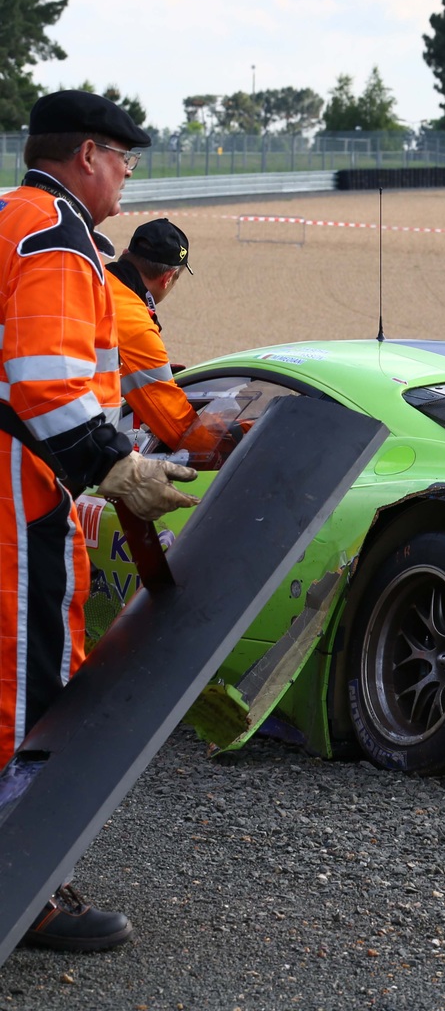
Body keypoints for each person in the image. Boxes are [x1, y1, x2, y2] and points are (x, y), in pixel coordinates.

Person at [0, 90, 200, 952]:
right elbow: (44, 379)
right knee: (25, 688)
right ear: (88, 155)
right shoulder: (57, 234)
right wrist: (114, 469)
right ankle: (25, 889)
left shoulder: (8, 216)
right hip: (22, 495)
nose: (125, 178)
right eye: (124, 161)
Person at [107, 219, 230, 462]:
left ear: (125, 254)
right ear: (167, 278)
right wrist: (242, 436)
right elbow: (180, 431)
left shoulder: (90, 277)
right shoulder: (133, 322)